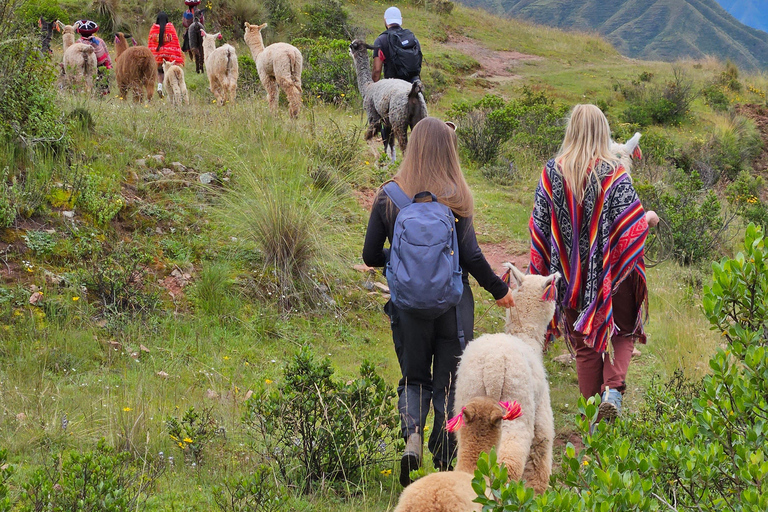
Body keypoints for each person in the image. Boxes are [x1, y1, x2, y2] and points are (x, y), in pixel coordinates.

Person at [363, 117, 515, 486]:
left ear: (412, 146)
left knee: (414, 378)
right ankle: (447, 459)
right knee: (449, 384)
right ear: (449, 150)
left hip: (407, 308)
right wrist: (500, 291)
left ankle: (412, 439)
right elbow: (472, 255)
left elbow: (370, 255)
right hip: (453, 307)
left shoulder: (390, 195)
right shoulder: (456, 197)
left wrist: (398, 263)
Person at [528, 104, 652, 423]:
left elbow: (540, 227)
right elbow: (633, 222)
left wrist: (543, 277)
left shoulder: (551, 172)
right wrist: (649, 218)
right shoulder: (614, 172)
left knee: (585, 348)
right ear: (603, 132)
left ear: (571, 130)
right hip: (613, 277)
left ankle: (590, 426)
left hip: (571, 281)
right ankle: (612, 391)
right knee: (624, 330)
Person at [372, 6, 422, 158]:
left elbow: (376, 71)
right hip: (414, 88)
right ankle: (420, 159)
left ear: (385, 21)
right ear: (401, 21)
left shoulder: (381, 40)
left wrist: (375, 87)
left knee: (386, 120)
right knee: (418, 127)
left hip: (393, 89)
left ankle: (390, 156)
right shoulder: (413, 38)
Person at [148, 12, 185, 97]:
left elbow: (151, 43)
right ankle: (171, 90)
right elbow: (175, 42)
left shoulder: (154, 29)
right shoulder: (170, 28)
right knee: (169, 72)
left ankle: (159, 87)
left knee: (159, 71)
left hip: (157, 56)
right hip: (169, 56)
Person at [74, 20, 112, 94]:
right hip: (99, 66)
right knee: (100, 80)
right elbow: (106, 55)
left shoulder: (78, 43)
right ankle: (101, 94)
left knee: (85, 80)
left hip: (84, 67)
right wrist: (107, 64)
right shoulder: (99, 41)